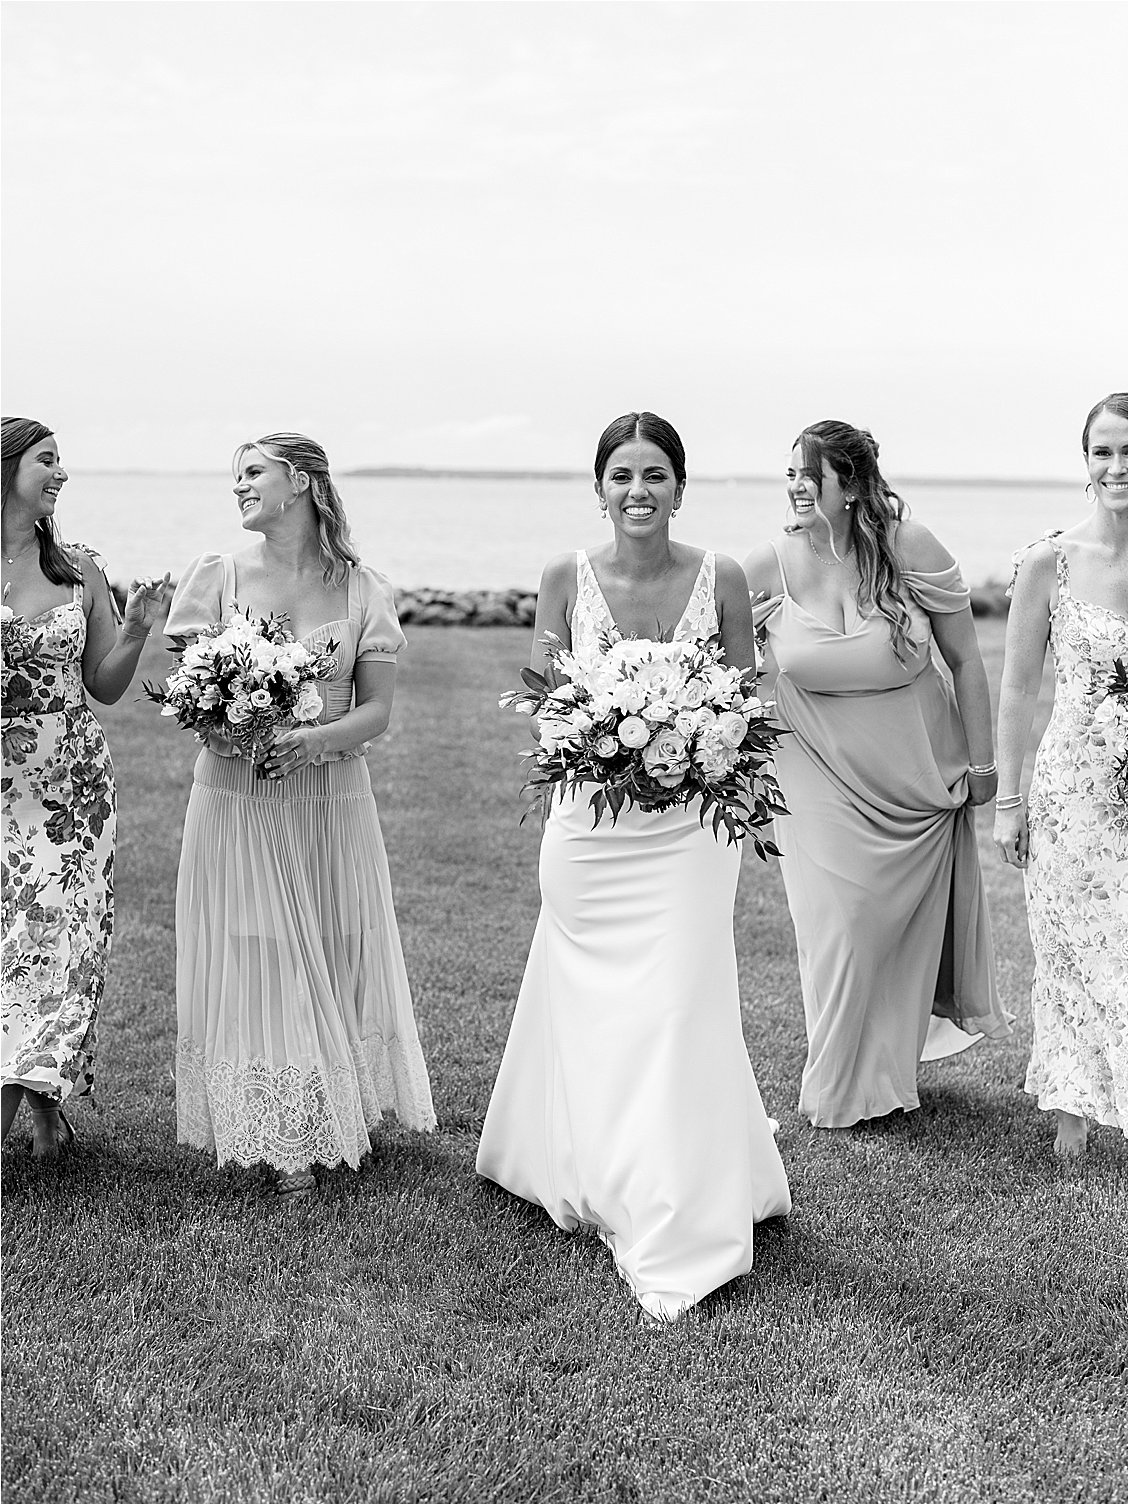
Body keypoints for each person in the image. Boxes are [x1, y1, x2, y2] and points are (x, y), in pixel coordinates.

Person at [476, 411, 790, 1322]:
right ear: (600, 486)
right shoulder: (562, 577)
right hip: (590, 833)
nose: (638, 491)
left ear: (680, 488)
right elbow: (544, 708)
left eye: (655, 475)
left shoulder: (721, 576)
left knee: (679, 1001)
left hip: (691, 834)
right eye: (622, 475)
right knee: (592, 1002)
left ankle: (670, 1194)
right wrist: (605, 733)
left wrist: (695, 742)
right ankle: (590, 1160)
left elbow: (747, 704)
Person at [164, 432, 436, 1198]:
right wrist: (234, 727)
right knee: (260, 948)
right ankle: (283, 1134)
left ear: (302, 482)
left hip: (330, 798)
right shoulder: (216, 576)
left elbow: (377, 710)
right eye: (236, 476)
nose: (239, 488)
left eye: (252, 473)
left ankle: (331, 1103)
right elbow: (190, 694)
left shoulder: (360, 589)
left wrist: (312, 740)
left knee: (334, 943)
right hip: (237, 796)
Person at [743, 419, 1012, 1130]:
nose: (797, 486)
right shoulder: (765, 564)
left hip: (913, 778)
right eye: (791, 474)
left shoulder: (908, 545)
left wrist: (983, 764)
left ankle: (886, 1074)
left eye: (811, 474)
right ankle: (835, 1088)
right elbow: (710, 661)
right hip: (813, 773)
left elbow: (966, 659)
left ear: (852, 483)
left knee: (896, 930)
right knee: (843, 922)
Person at [1, 416, 169, 1158]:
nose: (61, 472)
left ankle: (37, 1103)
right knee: (14, 948)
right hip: (3, 792)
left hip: (73, 792)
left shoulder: (79, 568)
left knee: (63, 946)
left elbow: (102, 683)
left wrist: (135, 629)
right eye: (47, 459)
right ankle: (41, 1110)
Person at [994, 392, 1127, 1157]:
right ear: (1084, 462)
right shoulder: (1049, 560)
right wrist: (1007, 802)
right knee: (1070, 943)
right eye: (1103, 451)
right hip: (1073, 786)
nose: (1116, 466)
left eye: (1128, 450)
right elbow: (1016, 687)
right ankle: (1072, 1115)